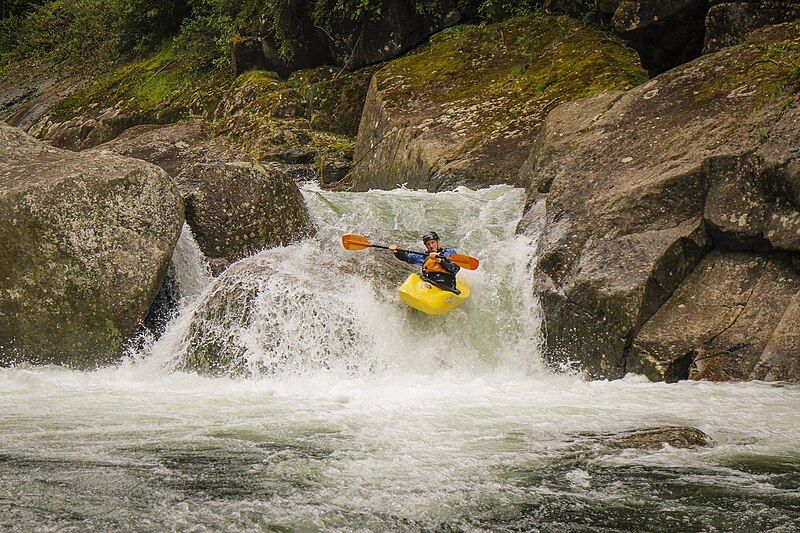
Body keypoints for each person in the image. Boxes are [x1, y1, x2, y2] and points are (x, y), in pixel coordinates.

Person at [389, 231, 461, 294]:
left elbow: (455, 269)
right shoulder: (424, 256)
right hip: (430, 285)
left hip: (447, 286)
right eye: (428, 244)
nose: (431, 246)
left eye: (433, 242)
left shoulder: (449, 253)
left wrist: (439, 260)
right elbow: (407, 257)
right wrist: (397, 252)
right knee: (414, 276)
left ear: (438, 242)